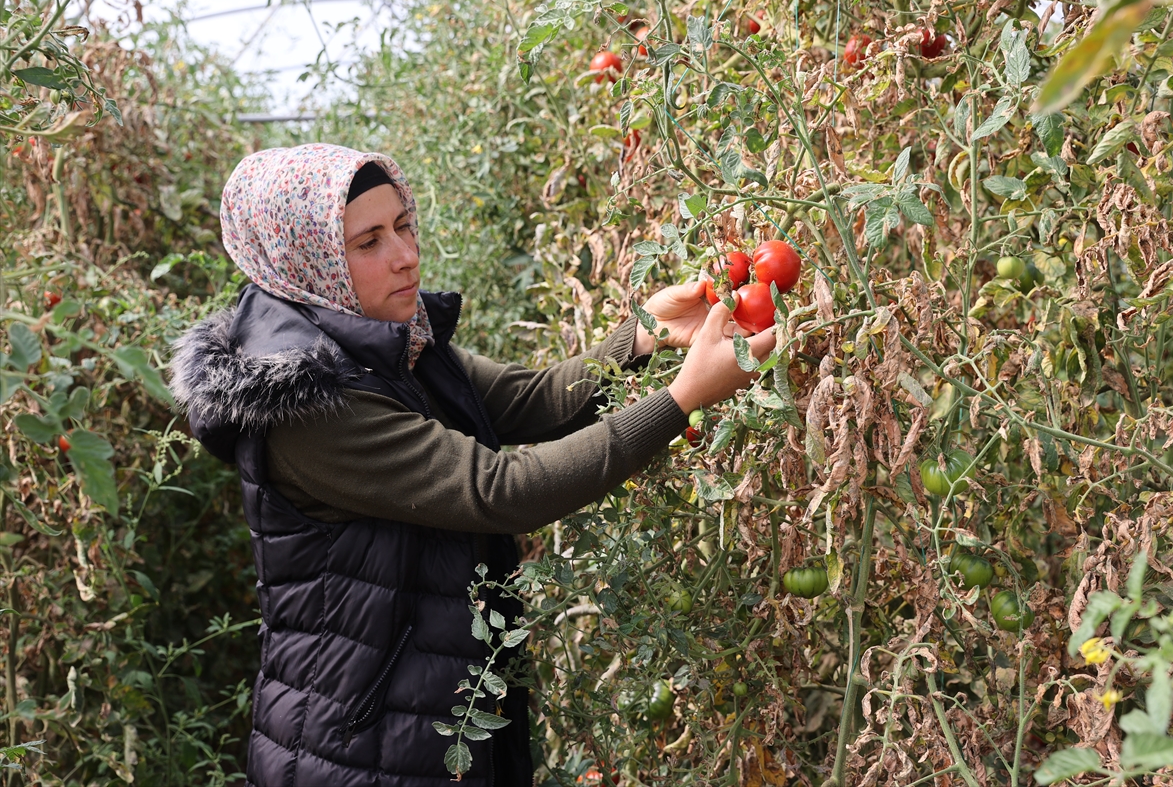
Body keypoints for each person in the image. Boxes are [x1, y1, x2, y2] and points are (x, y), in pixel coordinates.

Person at [169, 143, 775, 787]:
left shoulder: (392, 341)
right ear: (306, 259)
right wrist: (681, 398)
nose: (405, 255)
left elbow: (532, 400)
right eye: (368, 242)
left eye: (403, 225)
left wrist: (643, 335)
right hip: (354, 746)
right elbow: (500, 491)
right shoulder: (309, 406)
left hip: (423, 715)